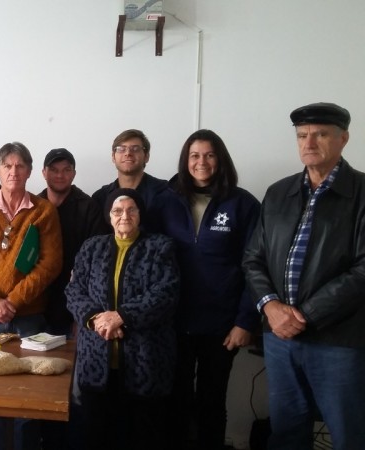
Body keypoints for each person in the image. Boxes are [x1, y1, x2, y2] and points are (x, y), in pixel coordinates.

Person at [243, 102, 365, 450]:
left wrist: (305, 316)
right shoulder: (278, 192)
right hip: (280, 339)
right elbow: (253, 259)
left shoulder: (361, 193)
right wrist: (270, 307)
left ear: (343, 139)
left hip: (339, 339)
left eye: (321, 134)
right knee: (287, 433)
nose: (309, 143)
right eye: (302, 136)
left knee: (348, 434)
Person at [154, 130, 260, 450]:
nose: (202, 162)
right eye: (195, 156)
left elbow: (256, 269)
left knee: (212, 402)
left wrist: (245, 322)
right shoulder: (164, 202)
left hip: (223, 326)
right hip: (174, 322)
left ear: (220, 159)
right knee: (176, 400)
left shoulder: (244, 204)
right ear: (186, 161)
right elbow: (148, 261)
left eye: (209, 155)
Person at [0, 141, 63, 450]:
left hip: (30, 317)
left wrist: (14, 301)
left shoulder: (44, 211)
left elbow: (50, 264)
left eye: (20, 166)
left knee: (28, 394)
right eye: (7, 166)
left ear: (30, 171)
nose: (13, 171)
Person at [66, 188, 179, 450]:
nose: (124, 216)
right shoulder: (91, 247)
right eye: (117, 211)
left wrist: (121, 317)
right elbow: (74, 290)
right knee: (96, 430)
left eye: (131, 210)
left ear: (141, 214)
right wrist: (96, 319)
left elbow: (166, 293)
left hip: (145, 358)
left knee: (140, 432)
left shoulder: (160, 247)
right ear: (109, 216)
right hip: (96, 357)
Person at [38, 148, 103, 337]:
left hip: (74, 302)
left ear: (74, 174)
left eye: (66, 170)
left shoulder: (89, 207)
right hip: (36, 302)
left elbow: (96, 262)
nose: (60, 175)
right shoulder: (33, 205)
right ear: (44, 173)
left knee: (69, 363)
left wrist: (83, 313)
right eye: (54, 169)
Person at [92, 129, 168, 233]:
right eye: (121, 149)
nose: (128, 153)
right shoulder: (100, 197)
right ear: (113, 157)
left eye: (135, 149)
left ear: (146, 156)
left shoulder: (165, 192)